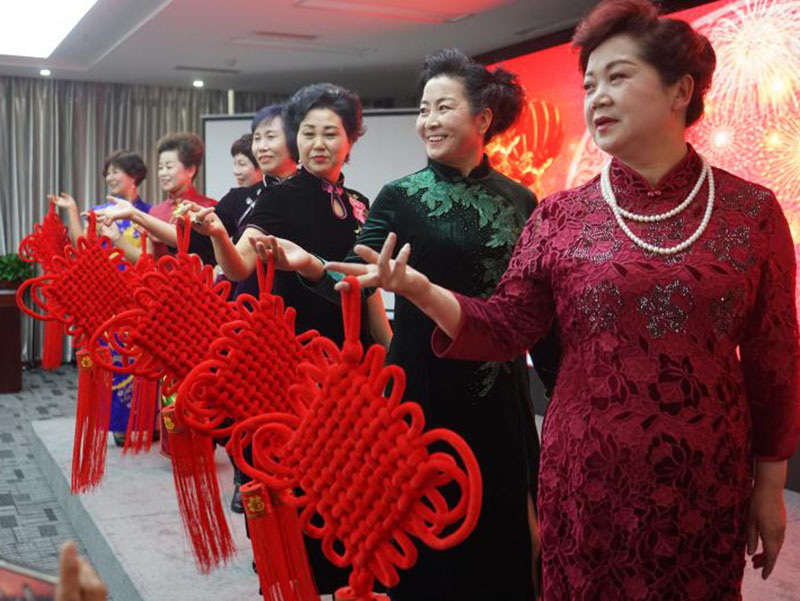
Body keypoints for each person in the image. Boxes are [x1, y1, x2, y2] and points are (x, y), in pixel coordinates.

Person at [326, 2, 800, 599]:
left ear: (681, 90)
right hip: (585, 474)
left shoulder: (750, 212)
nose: (597, 97)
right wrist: (420, 289)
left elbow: (773, 359)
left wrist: (769, 486)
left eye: (617, 77)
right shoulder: (560, 215)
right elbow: (506, 326)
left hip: (705, 477)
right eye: (589, 84)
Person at [254, 49, 549, 600]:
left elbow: (534, 300)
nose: (428, 121)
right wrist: (312, 264)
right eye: (423, 109)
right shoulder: (401, 196)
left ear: (483, 118)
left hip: (498, 390)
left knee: (506, 528)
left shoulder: (521, 199)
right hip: (423, 389)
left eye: (443, 108)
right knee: (425, 533)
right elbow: (357, 273)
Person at [49, 150, 152, 447]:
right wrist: (72, 210)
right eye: (108, 172)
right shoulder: (99, 212)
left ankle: (147, 420)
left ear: (134, 175)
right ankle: (119, 424)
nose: (110, 177)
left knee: (143, 358)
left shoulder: (148, 212)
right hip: (108, 298)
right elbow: (83, 246)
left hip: (140, 296)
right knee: (114, 358)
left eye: (116, 171)